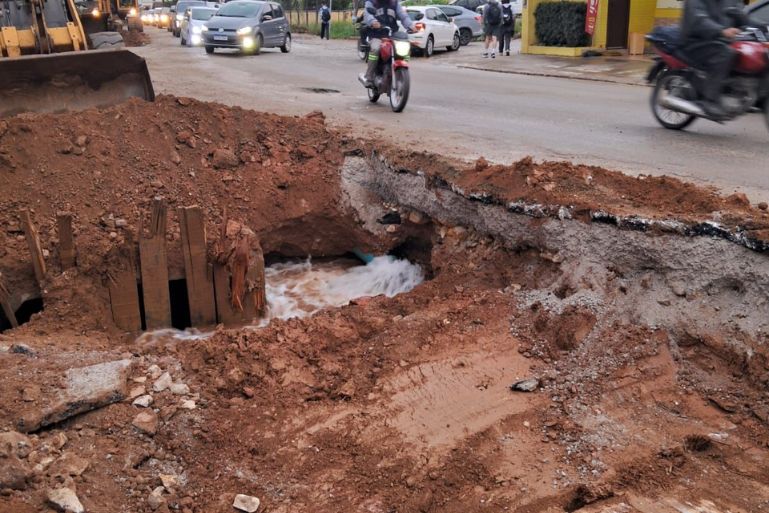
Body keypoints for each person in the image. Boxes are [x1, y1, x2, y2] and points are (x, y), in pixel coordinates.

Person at [680, 0, 748, 118]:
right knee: (726, 53)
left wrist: (757, 25)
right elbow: (699, 20)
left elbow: (740, 16)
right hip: (696, 42)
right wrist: (722, 31)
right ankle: (709, 100)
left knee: (744, 52)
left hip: (720, 41)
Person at [358, 0, 415, 87]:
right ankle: (369, 76)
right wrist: (373, 22)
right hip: (376, 35)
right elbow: (367, 14)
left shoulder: (394, 3)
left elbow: (403, 16)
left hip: (392, 35)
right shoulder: (371, 2)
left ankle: (401, 69)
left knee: (405, 47)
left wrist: (411, 25)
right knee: (375, 49)